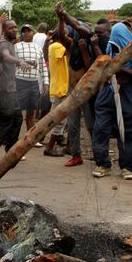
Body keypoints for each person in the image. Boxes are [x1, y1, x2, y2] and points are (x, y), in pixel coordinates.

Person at [91, 22, 132, 179]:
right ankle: (102, 164)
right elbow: (104, 66)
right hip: (108, 89)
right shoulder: (110, 48)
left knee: (128, 129)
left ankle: (127, 167)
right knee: (101, 127)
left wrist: (119, 68)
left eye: (116, 35)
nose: (113, 37)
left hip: (126, 90)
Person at [0, 19, 31, 166]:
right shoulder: (3, 44)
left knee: (17, 119)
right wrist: (19, 62)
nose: (14, 30)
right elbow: (6, 56)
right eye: (11, 28)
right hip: (3, 90)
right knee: (4, 123)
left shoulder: (10, 43)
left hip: (11, 89)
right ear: (4, 30)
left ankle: (10, 150)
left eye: (15, 27)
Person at [57, 8, 95, 167]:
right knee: (72, 126)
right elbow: (61, 36)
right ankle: (76, 155)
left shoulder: (90, 46)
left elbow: (89, 67)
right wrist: (60, 20)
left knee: (91, 125)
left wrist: (84, 49)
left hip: (85, 90)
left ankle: (98, 153)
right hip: (72, 90)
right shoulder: (71, 44)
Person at [44, 15, 73, 157]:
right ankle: (49, 147)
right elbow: (68, 49)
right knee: (58, 120)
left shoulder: (54, 46)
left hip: (60, 86)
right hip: (60, 88)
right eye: (65, 34)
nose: (68, 37)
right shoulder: (56, 46)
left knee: (59, 119)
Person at [15, 24, 49, 133]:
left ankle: (30, 137)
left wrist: (46, 83)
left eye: (28, 31)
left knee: (31, 112)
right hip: (20, 82)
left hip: (34, 83)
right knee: (17, 112)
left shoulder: (38, 48)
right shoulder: (16, 47)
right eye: (24, 31)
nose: (26, 33)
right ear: (22, 33)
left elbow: (42, 66)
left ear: (33, 33)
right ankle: (11, 138)